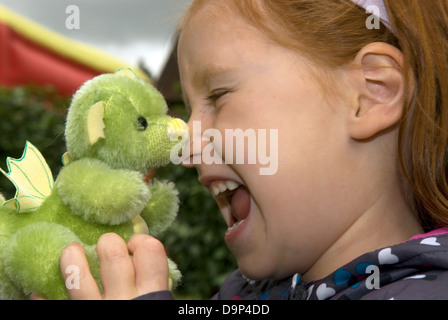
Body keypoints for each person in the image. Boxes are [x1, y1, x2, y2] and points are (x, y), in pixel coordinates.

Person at [55, 0, 448, 300]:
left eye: (219, 95)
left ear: (371, 94)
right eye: (189, 113)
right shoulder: (242, 295)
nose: (187, 147)